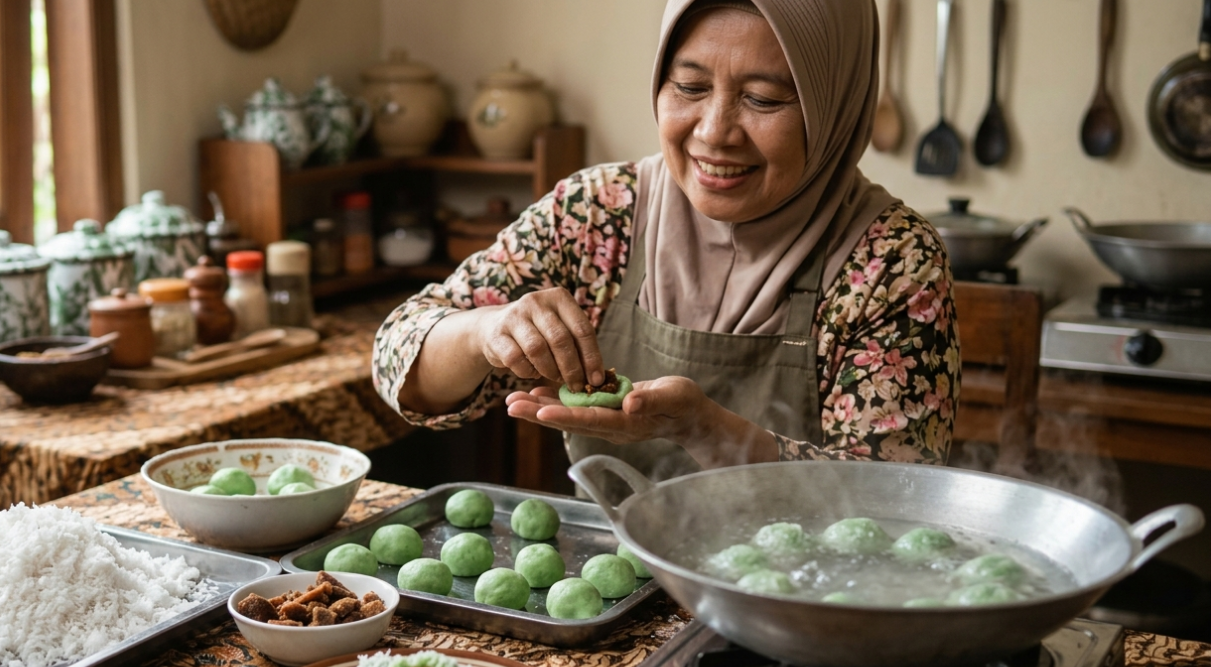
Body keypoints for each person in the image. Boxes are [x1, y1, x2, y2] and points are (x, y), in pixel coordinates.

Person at [373, 0, 958, 479]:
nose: (713, 132)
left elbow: (894, 503)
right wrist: (483, 330)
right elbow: (400, 360)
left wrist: (706, 430)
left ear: (835, 102)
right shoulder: (599, 213)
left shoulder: (893, 262)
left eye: (763, 99)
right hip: (607, 593)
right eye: (689, 86)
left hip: (798, 607)